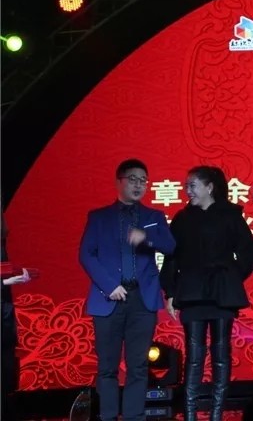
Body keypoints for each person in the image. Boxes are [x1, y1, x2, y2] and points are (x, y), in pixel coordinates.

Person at [78, 159, 176, 421]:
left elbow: (170, 246)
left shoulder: (153, 217)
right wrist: (110, 286)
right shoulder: (99, 217)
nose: (138, 185)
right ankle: (108, 416)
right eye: (133, 179)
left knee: (138, 365)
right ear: (119, 181)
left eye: (143, 181)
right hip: (108, 298)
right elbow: (86, 255)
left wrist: (147, 238)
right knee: (107, 367)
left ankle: (134, 416)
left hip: (142, 299)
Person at [160, 166, 253, 421]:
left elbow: (248, 251)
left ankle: (216, 415)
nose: (188, 191)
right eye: (186, 186)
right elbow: (171, 257)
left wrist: (231, 277)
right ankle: (190, 414)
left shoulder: (230, 215)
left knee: (221, 355)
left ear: (209, 187)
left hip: (221, 293)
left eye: (192, 185)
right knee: (194, 356)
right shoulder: (183, 218)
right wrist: (170, 291)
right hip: (192, 292)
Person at [1, 215, 31, 418]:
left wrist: (17, 275)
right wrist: (5, 282)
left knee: (7, 375)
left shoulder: (2, 244)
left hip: (5, 320)